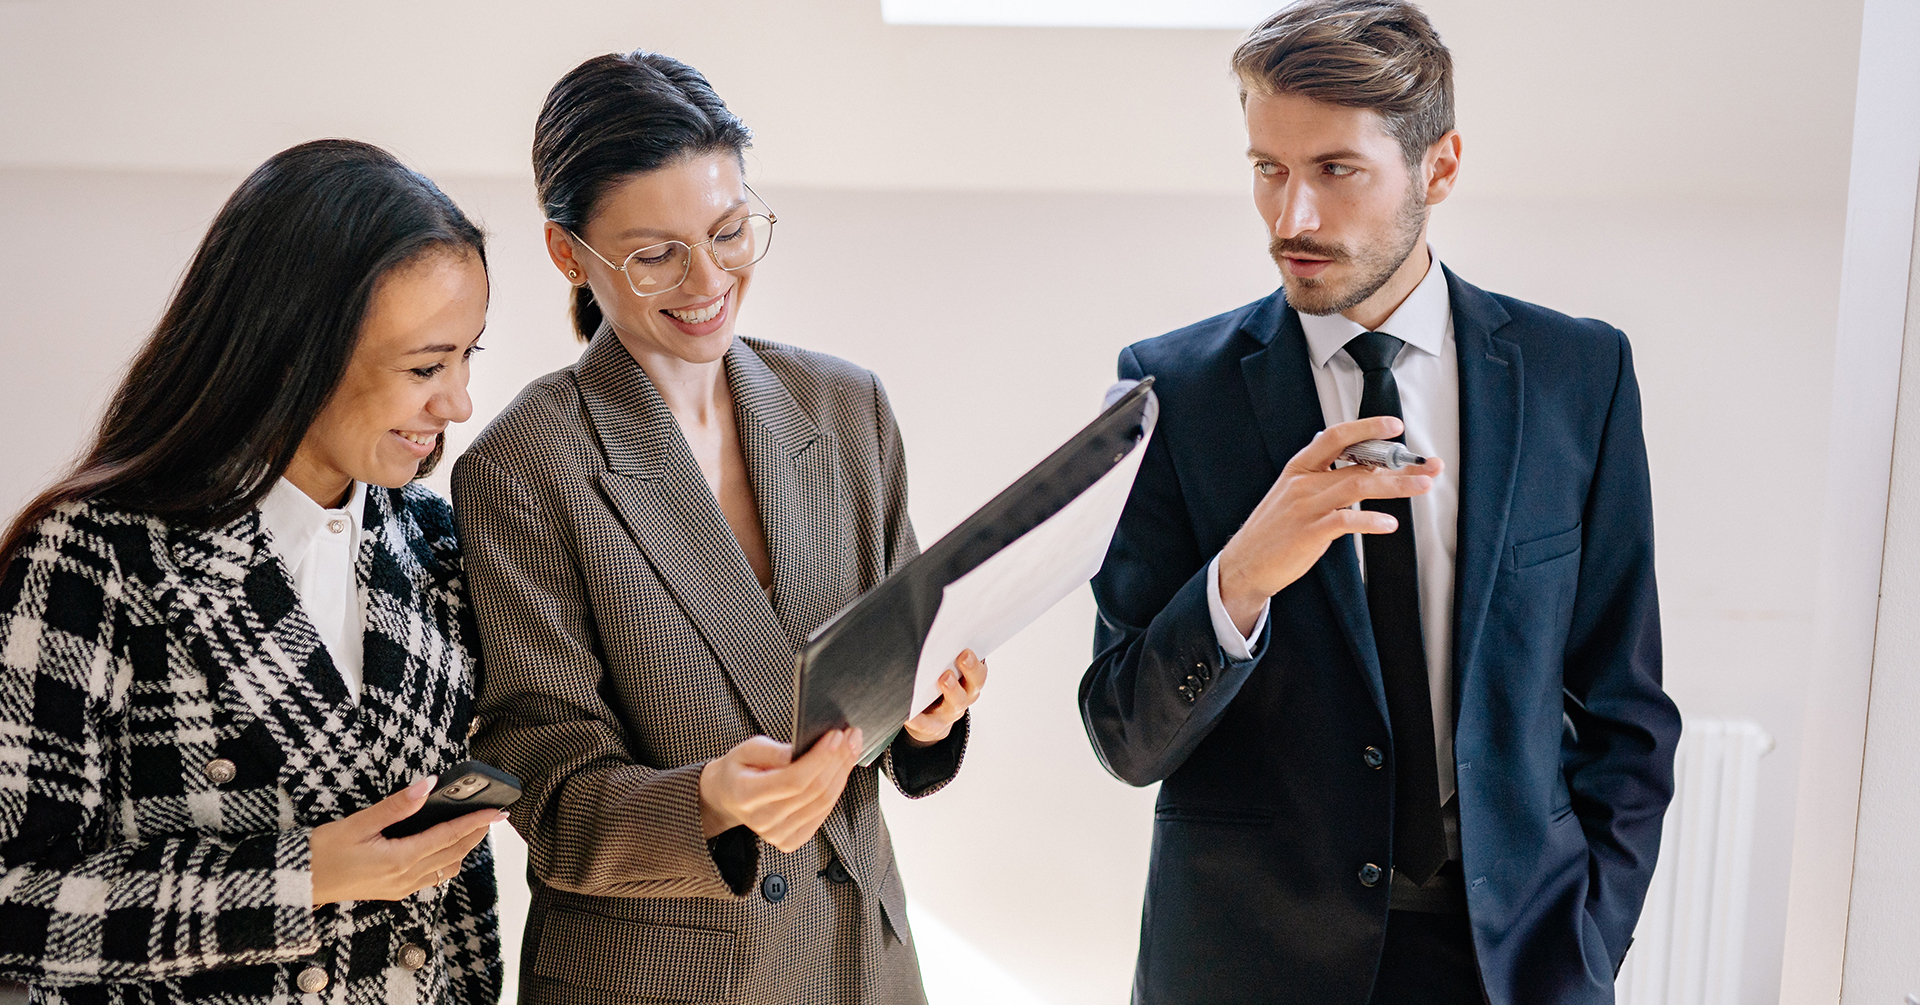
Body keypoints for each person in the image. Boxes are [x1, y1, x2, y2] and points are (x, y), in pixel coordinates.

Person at [1078, 3, 1682, 1003]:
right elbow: (1121, 732)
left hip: (1512, 963)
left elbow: (1626, 710)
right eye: (1267, 169)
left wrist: (1586, 943)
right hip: (1250, 967)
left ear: (1439, 168)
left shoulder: (1579, 374)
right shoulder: (1169, 393)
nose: (1292, 219)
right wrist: (1242, 578)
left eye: (1335, 171)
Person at [452, 51, 987, 1005]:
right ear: (568, 253)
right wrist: (710, 800)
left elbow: (898, 667)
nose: (708, 280)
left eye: (731, 230)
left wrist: (929, 711)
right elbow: (548, 792)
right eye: (655, 253)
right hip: (667, 976)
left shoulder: (844, 406)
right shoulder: (525, 467)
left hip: (861, 959)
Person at [0, 140, 504, 1003]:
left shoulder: (433, 540)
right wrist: (298, 876)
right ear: (294, 350)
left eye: (468, 357)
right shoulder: (93, 555)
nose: (456, 402)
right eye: (425, 367)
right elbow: (14, 903)